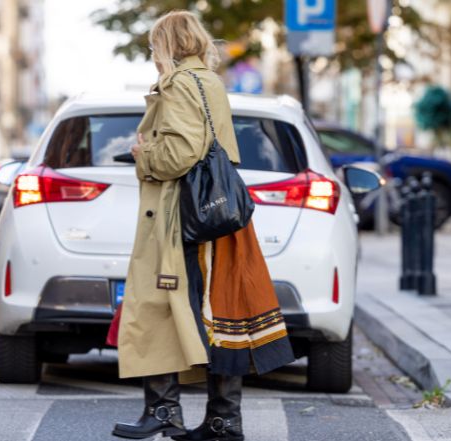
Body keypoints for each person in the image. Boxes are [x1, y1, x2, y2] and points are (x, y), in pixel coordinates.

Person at [112, 10, 295, 441]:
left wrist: (144, 155)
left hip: (185, 217)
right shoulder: (210, 81)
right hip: (219, 216)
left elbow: (180, 154)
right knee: (223, 315)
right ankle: (222, 422)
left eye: (154, 46)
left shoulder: (177, 84)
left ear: (167, 45)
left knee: (158, 306)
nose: (153, 55)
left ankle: (164, 410)